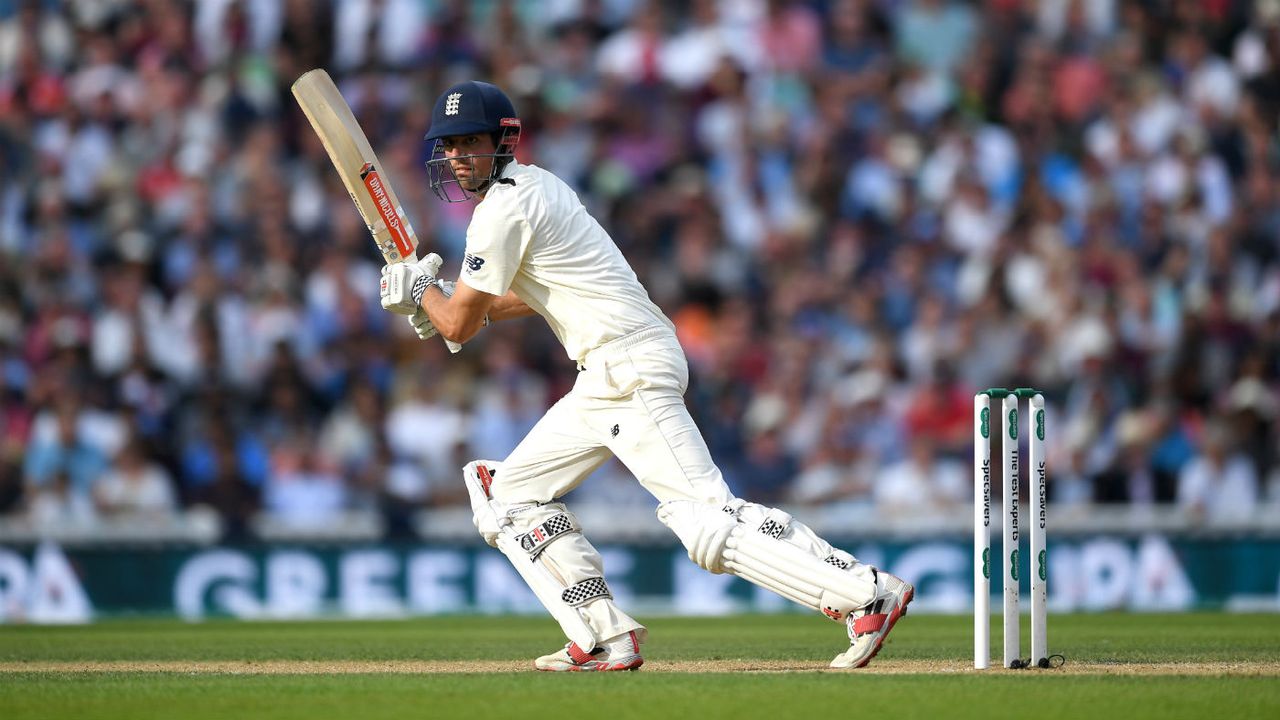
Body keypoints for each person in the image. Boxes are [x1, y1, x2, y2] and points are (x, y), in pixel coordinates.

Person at [378, 81, 913, 672]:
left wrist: (426, 293)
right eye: (449, 145)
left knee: (704, 518)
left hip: (626, 365)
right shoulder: (536, 186)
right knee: (506, 494)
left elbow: (457, 327)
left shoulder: (503, 207)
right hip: (606, 374)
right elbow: (523, 300)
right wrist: (444, 299)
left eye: (469, 142)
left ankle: (865, 593)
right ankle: (601, 633)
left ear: (502, 141)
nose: (456, 156)